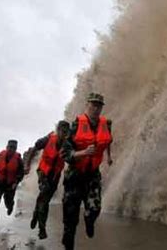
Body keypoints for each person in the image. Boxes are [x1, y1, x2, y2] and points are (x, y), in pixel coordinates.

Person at [61, 92, 113, 250]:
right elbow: (65, 152)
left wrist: (109, 156)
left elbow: (108, 140)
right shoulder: (76, 125)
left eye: (99, 106)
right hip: (74, 176)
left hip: (92, 175)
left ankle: (89, 221)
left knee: (95, 209)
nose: (96, 108)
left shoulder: (106, 124)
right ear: (87, 105)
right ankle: (68, 244)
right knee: (70, 220)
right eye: (93, 105)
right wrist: (82, 153)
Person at [24, 120, 71, 239]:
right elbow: (34, 149)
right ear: (58, 130)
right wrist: (27, 164)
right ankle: (42, 229)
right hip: (43, 172)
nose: (63, 134)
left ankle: (36, 214)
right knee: (44, 198)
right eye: (61, 131)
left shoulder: (68, 145)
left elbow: (71, 158)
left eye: (66, 132)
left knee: (44, 199)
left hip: (55, 176)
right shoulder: (47, 140)